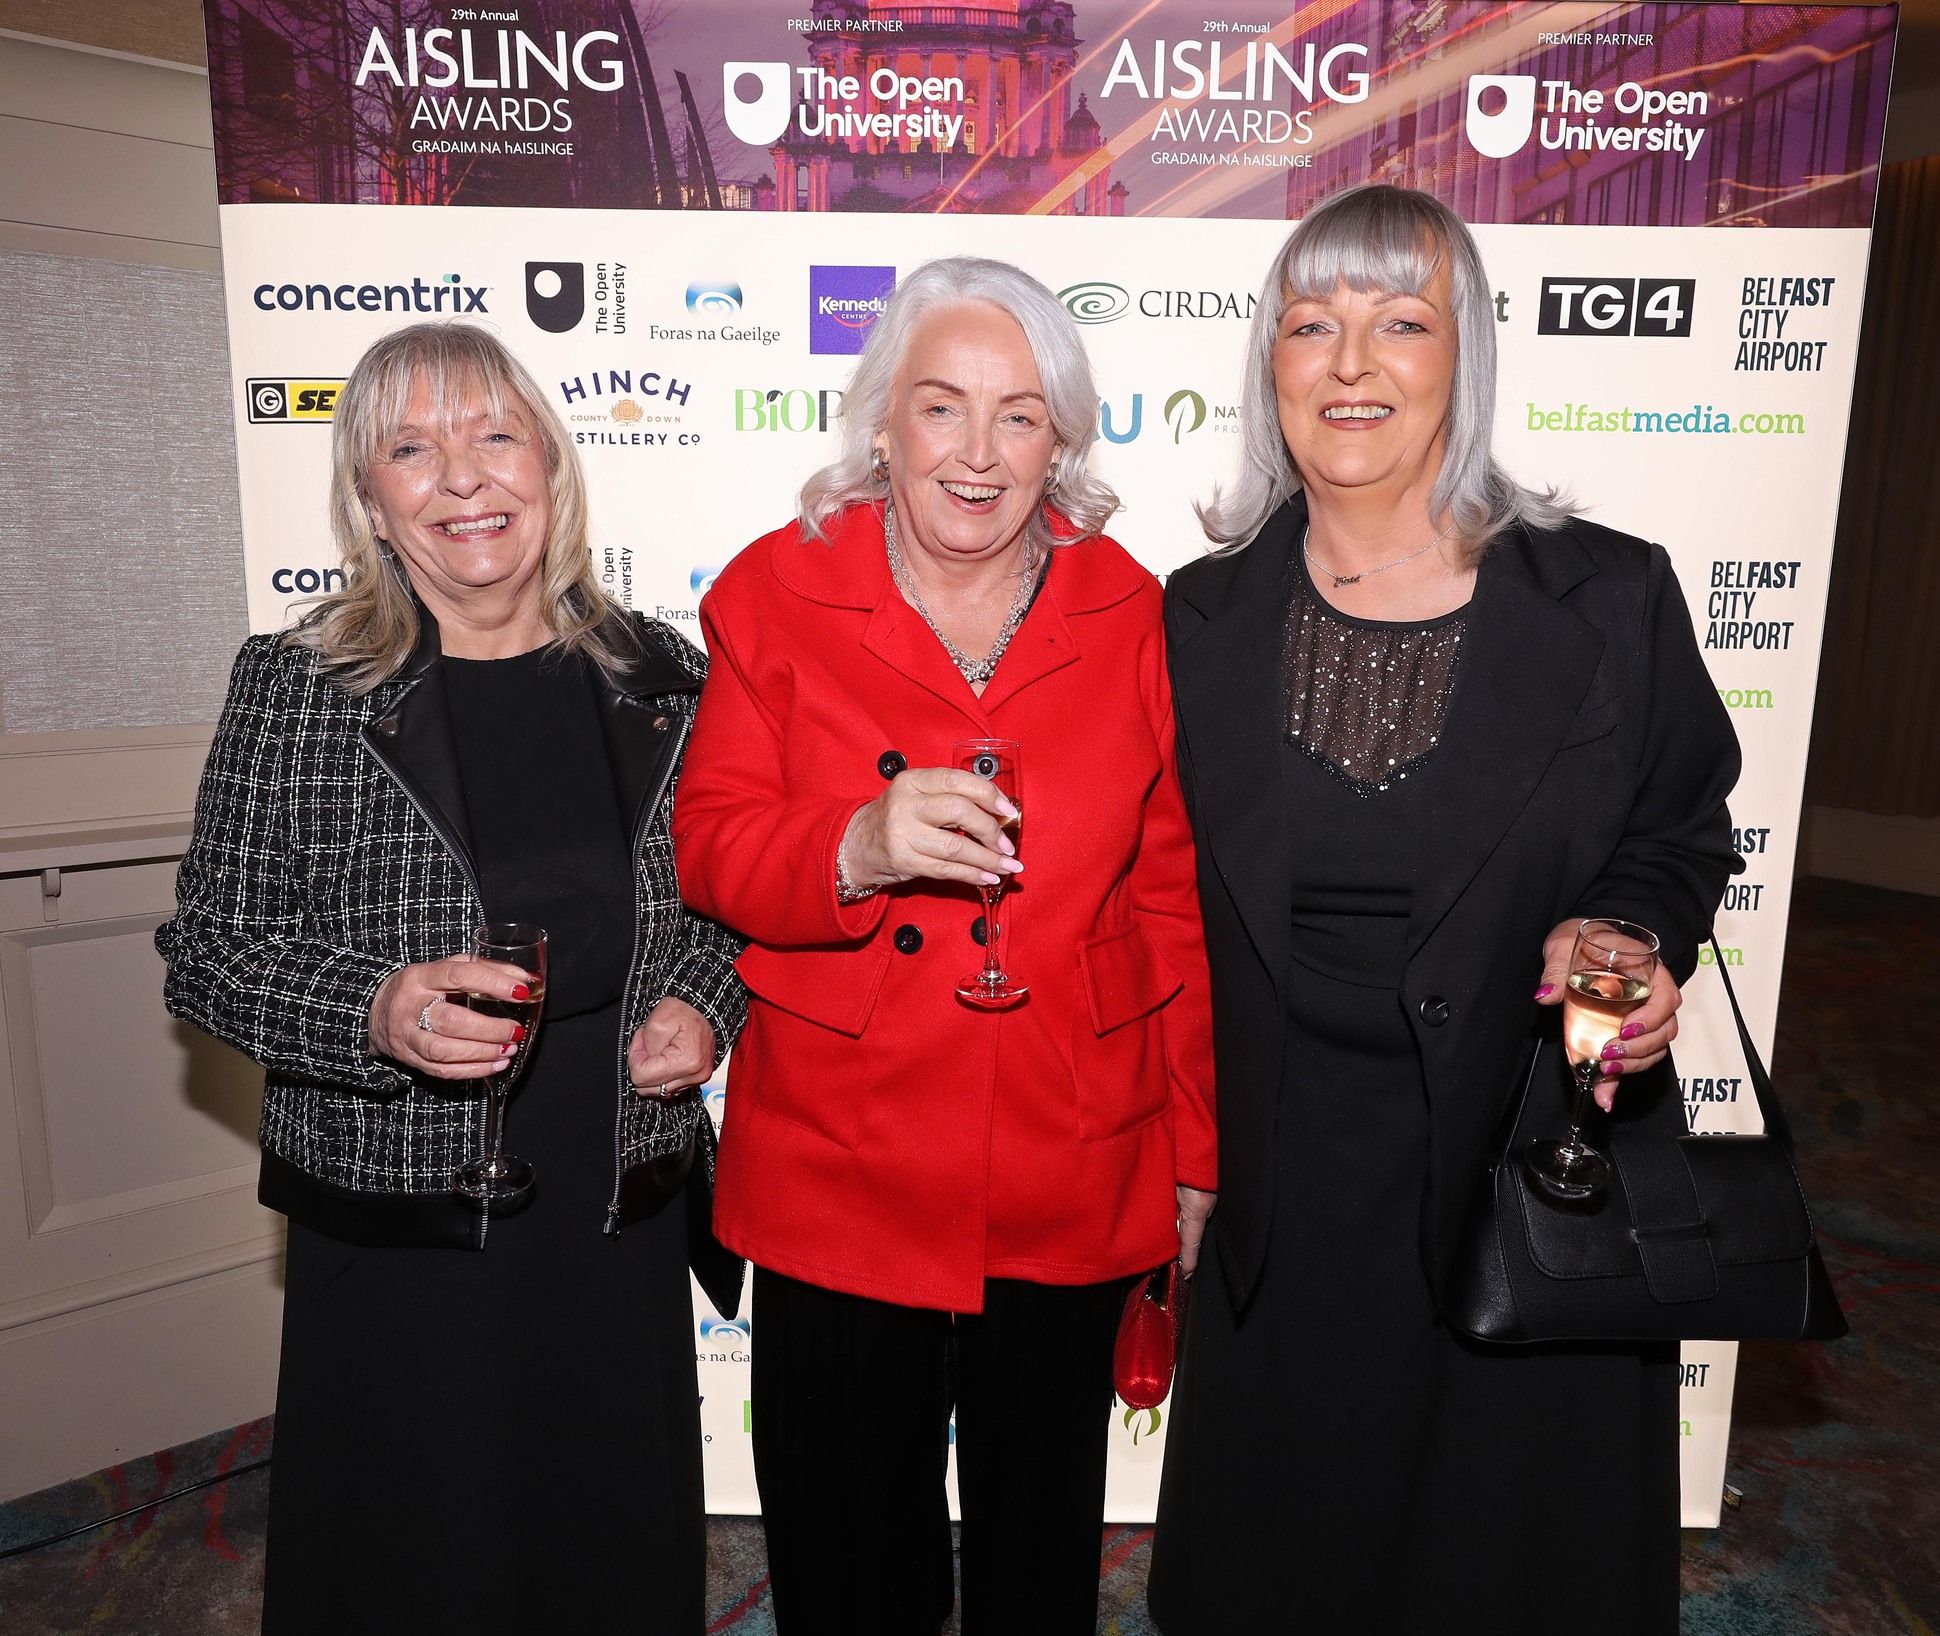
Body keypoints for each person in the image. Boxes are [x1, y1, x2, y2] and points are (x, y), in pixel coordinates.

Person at [1146, 184, 1742, 1633]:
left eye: (1400, 323)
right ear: (1269, 367)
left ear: (1463, 357)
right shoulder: (1194, 617)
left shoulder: (1608, 598)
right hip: (1287, 1185)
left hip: (1525, 1156)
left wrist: (1621, 947)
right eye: (1312, 325)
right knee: (1287, 1568)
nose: (1351, 364)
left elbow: (1675, 829)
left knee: (1507, 1571)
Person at [156, 322, 744, 1635]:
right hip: (395, 1208)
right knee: (417, 1555)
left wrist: (702, 1002)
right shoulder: (302, 687)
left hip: (612, 1188)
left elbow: (725, 905)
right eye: (412, 450)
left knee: (607, 1539)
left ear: (549, 459)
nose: (464, 478)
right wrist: (373, 1011)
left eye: (494, 435)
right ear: (372, 499)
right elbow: (210, 951)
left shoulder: (666, 679)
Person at [672, 256, 1216, 1634]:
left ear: (1064, 443)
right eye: (942, 408)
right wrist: (853, 846)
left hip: (1068, 1151)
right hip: (840, 1162)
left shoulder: (1142, 616)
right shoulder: (774, 595)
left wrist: (1196, 1155)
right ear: (882, 424)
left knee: (1042, 1562)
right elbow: (713, 848)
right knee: (851, 1560)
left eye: (1020, 415)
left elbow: (1175, 908)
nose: (978, 453)